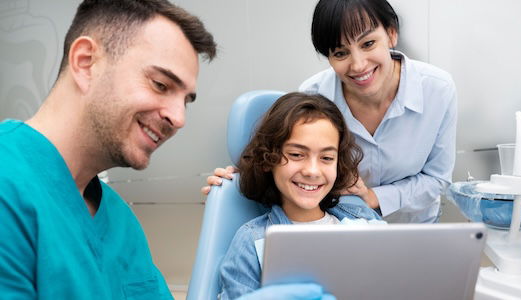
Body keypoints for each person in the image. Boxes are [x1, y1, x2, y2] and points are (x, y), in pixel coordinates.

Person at [0, 1, 330, 299]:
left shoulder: (119, 223)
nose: (179, 118)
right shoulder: (9, 189)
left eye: (185, 100)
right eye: (160, 85)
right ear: (86, 62)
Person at [203, 0, 457, 224]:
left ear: (391, 35)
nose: (358, 65)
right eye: (340, 53)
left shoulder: (437, 89)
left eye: (368, 44)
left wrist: (372, 197)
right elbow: (288, 163)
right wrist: (239, 179)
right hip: (340, 230)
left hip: (413, 228)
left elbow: (437, 179)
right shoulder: (314, 96)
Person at [219, 92, 383, 299]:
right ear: (269, 158)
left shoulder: (365, 221)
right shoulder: (253, 242)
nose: (312, 171)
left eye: (326, 157)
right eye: (296, 155)